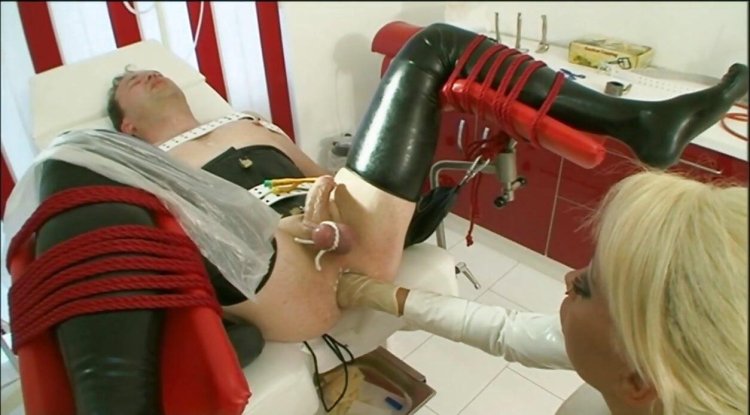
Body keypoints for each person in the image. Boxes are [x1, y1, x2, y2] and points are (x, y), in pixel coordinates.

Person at [9, 21, 747, 414]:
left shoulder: (246, 123)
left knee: (66, 164)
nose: (141, 74)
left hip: (328, 237)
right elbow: (512, 332)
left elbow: (319, 180)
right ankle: (640, 124)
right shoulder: (136, 165)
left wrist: (336, 213)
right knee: (70, 158)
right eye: (126, 84)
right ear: (128, 127)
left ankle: (638, 122)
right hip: (265, 260)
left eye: (585, 285)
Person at [336, 170, 748, 415]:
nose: (568, 277)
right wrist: (389, 297)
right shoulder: (655, 369)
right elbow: (506, 331)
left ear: (638, 380)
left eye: (585, 287)